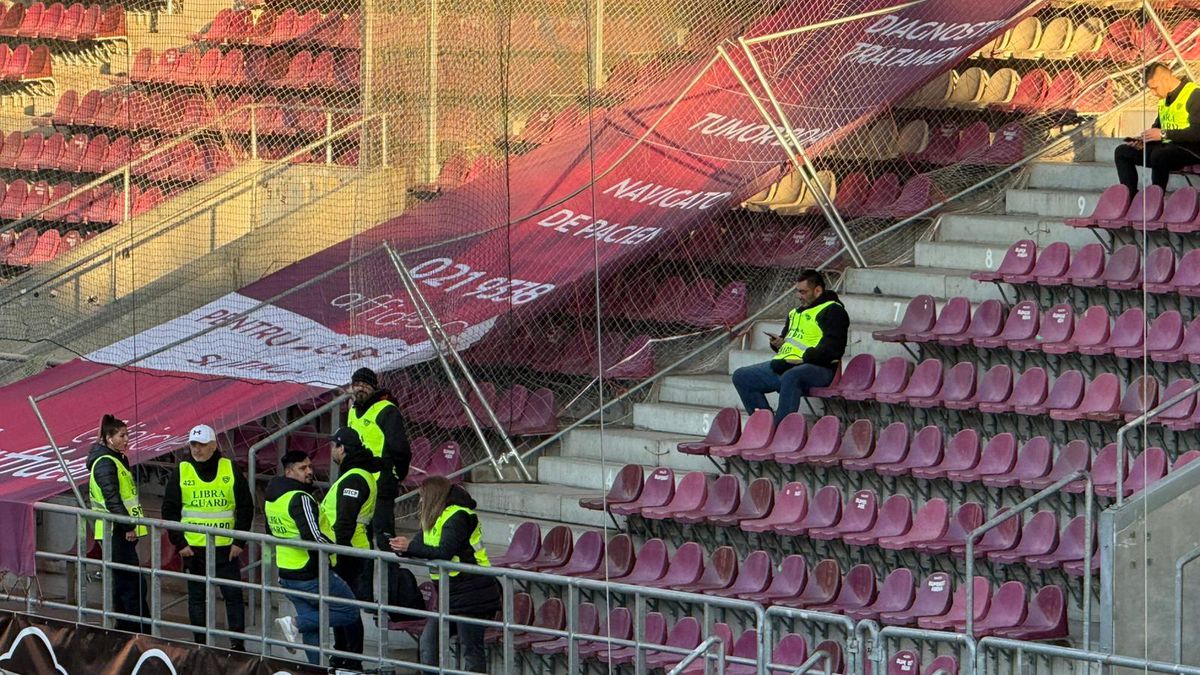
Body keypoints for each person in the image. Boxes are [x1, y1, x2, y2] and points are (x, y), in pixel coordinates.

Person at [390, 477, 500, 673]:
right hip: (450, 594)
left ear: (433, 496)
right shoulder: (434, 518)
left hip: (473, 592)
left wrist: (411, 547)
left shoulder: (458, 516)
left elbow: (444, 551)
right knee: (428, 643)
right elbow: (422, 546)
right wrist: (402, 548)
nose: (420, 501)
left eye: (423, 497)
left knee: (471, 649)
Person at [265, 450, 363, 667]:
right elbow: (314, 537)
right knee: (350, 610)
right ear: (289, 471)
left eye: (309, 466)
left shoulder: (272, 497)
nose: (309, 471)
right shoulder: (300, 497)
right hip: (310, 573)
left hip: (286, 572)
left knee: (314, 624)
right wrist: (339, 549)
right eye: (303, 468)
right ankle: (295, 623)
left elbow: (271, 532)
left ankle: (315, 669)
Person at [161, 424, 253, 650]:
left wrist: (239, 542)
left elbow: (245, 507)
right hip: (194, 549)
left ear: (213, 445)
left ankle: (237, 646)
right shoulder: (182, 470)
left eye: (202, 445)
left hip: (226, 549)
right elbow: (169, 510)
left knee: (233, 596)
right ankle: (200, 644)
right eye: (193, 444)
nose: (197, 449)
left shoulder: (229, 468)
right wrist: (180, 544)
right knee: (196, 597)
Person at [732, 269, 849, 426]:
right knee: (741, 376)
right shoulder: (794, 313)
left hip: (820, 369)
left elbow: (834, 350)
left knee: (791, 376)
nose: (799, 296)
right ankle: (763, 426)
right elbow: (789, 344)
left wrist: (803, 359)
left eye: (803, 292)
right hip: (787, 364)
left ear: (818, 290)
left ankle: (781, 431)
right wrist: (778, 345)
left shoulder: (833, 310)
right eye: (797, 291)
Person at [321, 426, 381, 670]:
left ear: (341, 448)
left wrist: (339, 551)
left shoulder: (355, 477)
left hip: (349, 551)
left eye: (333, 447)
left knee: (347, 609)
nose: (331, 452)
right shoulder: (354, 473)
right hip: (347, 549)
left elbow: (345, 519)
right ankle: (342, 656)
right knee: (341, 606)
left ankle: (351, 660)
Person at [86, 414, 149, 633]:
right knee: (132, 585)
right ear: (108, 437)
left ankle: (126, 628)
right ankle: (137, 631)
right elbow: (113, 499)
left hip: (118, 531)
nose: (127, 439)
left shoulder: (114, 459)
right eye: (122, 435)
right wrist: (128, 526)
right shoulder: (106, 463)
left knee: (128, 583)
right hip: (116, 532)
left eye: (127, 435)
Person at [346, 367, 412, 548]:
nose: (359, 388)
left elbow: (401, 448)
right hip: (359, 481)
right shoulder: (352, 411)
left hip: (381, 482)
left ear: (373, 387)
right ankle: (363, 575)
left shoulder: (387, 410)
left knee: (384, 534)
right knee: (359, 534)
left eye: (364, 385)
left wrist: (397, 474)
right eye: (356, 384)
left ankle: (390, 574)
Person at [1115, 63, 1200, 193]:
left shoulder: (1194, 94)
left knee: (1159, 155)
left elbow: (1197, 133)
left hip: (1191, 149)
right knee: (1122, 152)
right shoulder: (1163, 98)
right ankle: (1130, 196)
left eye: (1154, 88)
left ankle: (1156, 198)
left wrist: (1164, 134)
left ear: (1166, 79)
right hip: (1167, 146)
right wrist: (1143, 140)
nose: (1153, 93)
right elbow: (1158, 127)